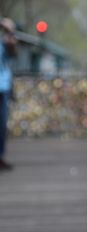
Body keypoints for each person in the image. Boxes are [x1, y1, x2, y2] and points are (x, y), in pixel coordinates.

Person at [0, 18, 17, 170]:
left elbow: (14, 51)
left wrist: (10, 30)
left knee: (2, 125)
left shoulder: (5, 39)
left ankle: (0, 156)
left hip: (3, 88)